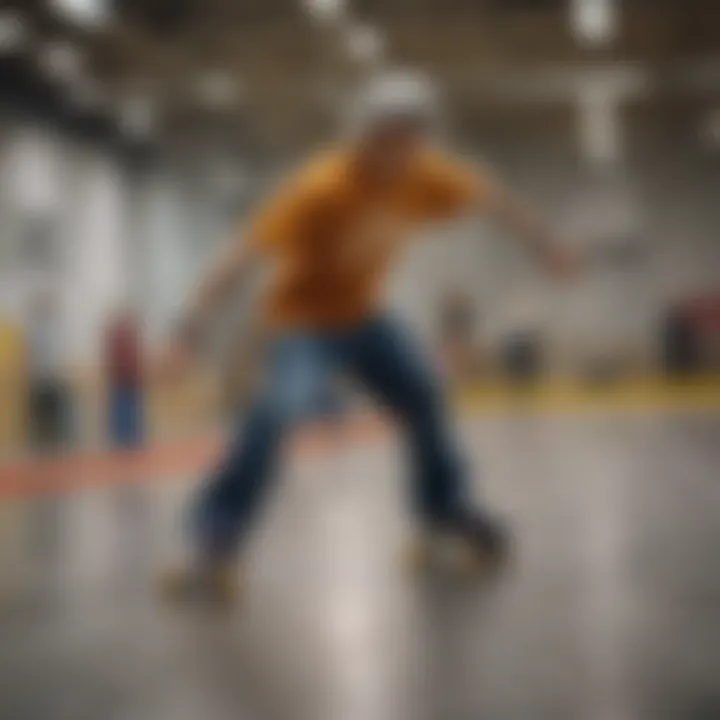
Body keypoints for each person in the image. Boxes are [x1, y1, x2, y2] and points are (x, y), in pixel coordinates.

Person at [158, 71, 578, 602]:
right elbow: (241, 256)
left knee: (424, 393)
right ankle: (215, 536)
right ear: (363, 133)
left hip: (365, 317)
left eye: (412, 137)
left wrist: (546, 243)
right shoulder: (321, 187)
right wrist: (185, 330)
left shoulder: (427, 175)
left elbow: (493, 198)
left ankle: (442, 514)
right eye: (389, 136)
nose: (401, 149)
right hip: (302, 322)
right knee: (277, 411)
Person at [105, 310, 144, 449]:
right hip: (120, 383)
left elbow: (136, 359)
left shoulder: (131, 337)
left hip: (131, 382)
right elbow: (112, 360)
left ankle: (133, 443)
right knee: (121, 421)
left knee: (133, 421)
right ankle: (122, 443)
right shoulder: (117, 336)